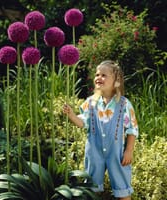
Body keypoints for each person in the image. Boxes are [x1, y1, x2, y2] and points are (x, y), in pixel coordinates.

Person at [63, 60, 138, 200]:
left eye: (104, 75)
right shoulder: (91, 102)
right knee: (92, 186)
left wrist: (129, 150)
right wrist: (71, 115)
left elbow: (132, 129)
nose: (99, 77)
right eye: (97, 74)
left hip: (117, 153)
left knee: (123, 187)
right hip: (94, 151)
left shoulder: (124, 104)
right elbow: (82, 123)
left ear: (116, 81)